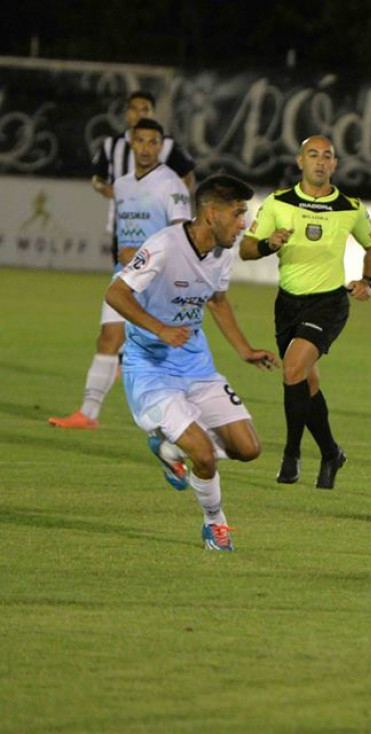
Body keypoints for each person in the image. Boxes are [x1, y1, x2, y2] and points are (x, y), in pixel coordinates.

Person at [105, 174, 279, 551]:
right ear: (212, 214)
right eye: (237, 214)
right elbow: (115, 292)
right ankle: (214, 525)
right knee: (204, 455)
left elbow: (217, 301)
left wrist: (245, 350)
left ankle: (171, 447)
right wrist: (159, 329)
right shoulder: (164, 246)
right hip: (151, 368)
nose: (243, 224)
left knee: (249, 450)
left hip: (197, 366)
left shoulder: (223, 252)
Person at [238, 135, 371, 490]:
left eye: (327, 156)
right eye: (313, 155)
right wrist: (268, 245)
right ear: (300, 161)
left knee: (291, 370)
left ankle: (291, 456)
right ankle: (332, 453)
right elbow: (244, 249)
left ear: (334, 164)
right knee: (307, 383)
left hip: (329, 303)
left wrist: (367, 279)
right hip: (288, 303)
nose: (320, 161)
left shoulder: (350, 207)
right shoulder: (278, 203)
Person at [50, 119, 192, 429]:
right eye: (140, 140)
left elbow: (182, 234)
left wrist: (143, 252)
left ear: (160, 146)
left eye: (153, 142)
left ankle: (182, 420)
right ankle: (87, 414)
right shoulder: (124, 184)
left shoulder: (171, 184)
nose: (146, 147)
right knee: (107, 337)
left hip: (156, 279)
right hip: (124, 275)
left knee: (160, 351)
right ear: (131, 142)